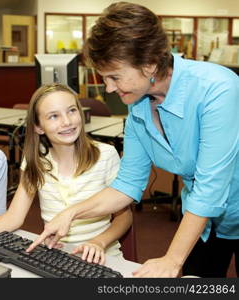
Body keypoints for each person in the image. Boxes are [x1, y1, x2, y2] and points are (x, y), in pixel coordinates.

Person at [28, 2, 239, 278]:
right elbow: (127, 185)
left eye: (114, 77)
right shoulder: (138, 103)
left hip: (215, 205)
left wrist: (172, 260)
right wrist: (71, 213)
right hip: (204, 221)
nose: (109, 88)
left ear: (149, 64)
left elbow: (211, 188)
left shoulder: (218, 88)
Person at [0, 83, 132, 265]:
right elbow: (14, 217)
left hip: (101, 255)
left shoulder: (106, 155)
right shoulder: (36, 160)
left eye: (72, 111)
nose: (67, 122)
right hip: (57, 255)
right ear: (38, 127)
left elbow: (124, 216)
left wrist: (99, 241)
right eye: (53, 116)